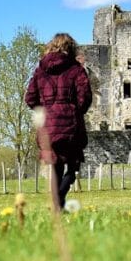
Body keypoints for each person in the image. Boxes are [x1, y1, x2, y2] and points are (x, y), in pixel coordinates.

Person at [25, 33, 92, 212]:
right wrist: (74, 110)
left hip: (48, 125)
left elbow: (30, 98)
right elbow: (84, 97)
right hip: (71, 124)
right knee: (72, 166)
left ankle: (58, 206)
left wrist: (46, 110)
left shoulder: (40, 70)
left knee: (55, 165)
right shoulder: (76, 70)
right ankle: (59, 199)